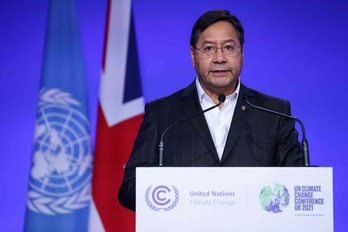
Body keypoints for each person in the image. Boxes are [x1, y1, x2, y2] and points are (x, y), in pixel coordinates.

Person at [118, 9, 304, 211]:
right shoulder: (162, 113)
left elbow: (299, 183)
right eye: (208, 49)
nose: (219, 58)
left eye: (229, 47)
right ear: (192, 55)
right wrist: (181, 197)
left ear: (242, 53)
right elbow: (130, 189)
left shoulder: (273, 112)